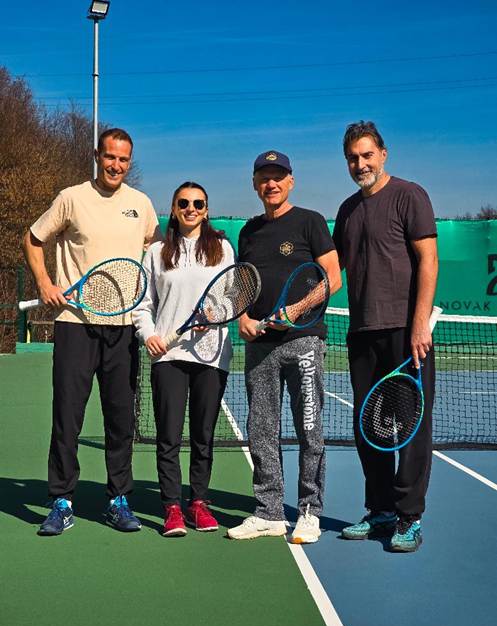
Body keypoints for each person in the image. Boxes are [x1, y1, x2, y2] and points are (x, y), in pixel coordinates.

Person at [23, 128, 160, 536]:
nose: (116, 165)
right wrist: (45, 283)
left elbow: (157, 255)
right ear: (97, 155)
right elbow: (32, 239)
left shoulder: (141, 205)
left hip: (123, 329)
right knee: (67, 418)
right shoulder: (71, 198)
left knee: (120, 421)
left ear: (129, 162)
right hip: (75, 326)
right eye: (110, 157)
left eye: (123, 159)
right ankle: (61, 500)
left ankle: (118, 500)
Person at [333, 121, 438, 553]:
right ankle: (380, 510)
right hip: (362, 335)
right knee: (370, 428)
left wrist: (419, 323)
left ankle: (409, 516)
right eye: (352, 158)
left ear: (383, 154)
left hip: (404, 333)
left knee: (411, 428)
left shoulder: (410, 195)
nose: (360, 164)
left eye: (366, 155)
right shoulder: (346, 210)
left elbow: (428, 260)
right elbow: (332, 270)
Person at [227, 151, 341, 544]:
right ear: (255, 184)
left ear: (290, 181)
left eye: (278, 177)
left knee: (310, 429)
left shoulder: (310, 221)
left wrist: (297, 309)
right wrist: (242, 317)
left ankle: (309, 511)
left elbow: (333, 279)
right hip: (260, 346)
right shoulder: (248, 231)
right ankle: (269, 512)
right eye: (264, 177)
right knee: (261, 430)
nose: (271, 184)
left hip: (304, 341)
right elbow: (242, 284)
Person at [132, 182, 235, 537]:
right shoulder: (157, 251)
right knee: (169, 436)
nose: (191, 208)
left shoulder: (222, 248)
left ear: (206, 210)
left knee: (203, 436)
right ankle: (172, 507)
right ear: (174, 209)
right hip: (169, 356)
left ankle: (199, 503)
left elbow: (232, 296)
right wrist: (149, 335)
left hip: (212, 357)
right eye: (184, 203)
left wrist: (215, 314)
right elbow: (143, 304)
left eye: (198, 203)